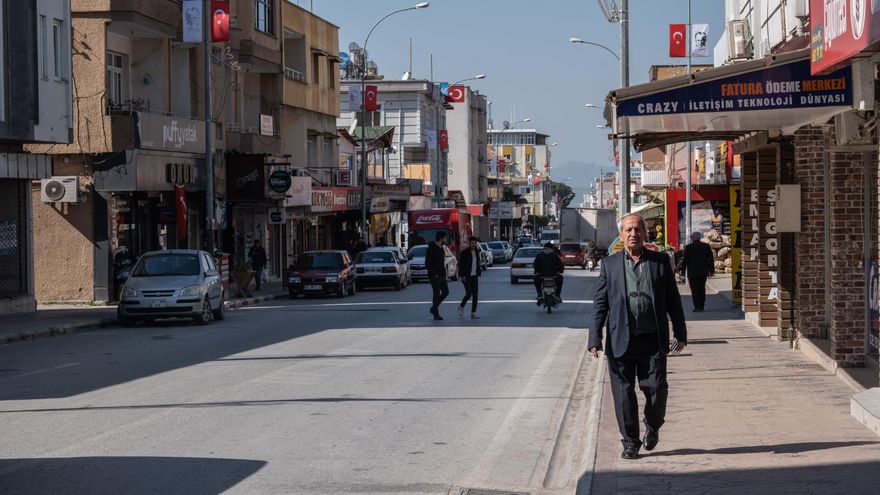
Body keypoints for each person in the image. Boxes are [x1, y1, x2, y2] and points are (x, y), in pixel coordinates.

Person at [589, 213, 687, 460]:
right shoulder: (609, 265)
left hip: (652, 339)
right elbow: (600, 304)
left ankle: (653, 425)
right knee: (623, 394)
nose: (633, 234)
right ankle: (630, 442)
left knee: (657, 389)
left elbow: (673, 301)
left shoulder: (660, 262)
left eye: (638, 229)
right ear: (621, 235)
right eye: (628, 230)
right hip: (620, 340)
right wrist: (594, 338)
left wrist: (681, 333)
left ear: (645, 233)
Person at [680, 231, 715, 312]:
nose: (691, 239)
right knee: (702, 288)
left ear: (694, 238)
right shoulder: (706, 246)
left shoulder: (689, 247)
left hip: (692, 272)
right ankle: (702, 306)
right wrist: (711, 270)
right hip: (703, 271)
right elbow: (710, 259)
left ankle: (697, 307)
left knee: (694, 289)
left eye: (691, 237)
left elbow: (685, 260)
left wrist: (683, 271)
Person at [426, 231, 450, 321]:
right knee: (436, 294)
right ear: (441, 238)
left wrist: (444, 274)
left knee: (446, 292)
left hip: (441, 275)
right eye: (445, 238)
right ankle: (436, 314)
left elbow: (442, 262)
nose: (445, 240)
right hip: (434, 276)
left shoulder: (441, 248)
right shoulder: (431, 249)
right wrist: (434, 274)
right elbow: (427, 263)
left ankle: (433, 308)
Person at [457, 236, 482, 319]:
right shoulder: (464, 253)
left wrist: (478, 272)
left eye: (475, 243)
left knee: (475, 296)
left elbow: (478, 263)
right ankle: (461, 306)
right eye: (472, 243)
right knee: (468, 294)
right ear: (469, 243)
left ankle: (473, 313)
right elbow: (461, 265)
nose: (473, 244)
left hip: (474, 276)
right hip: (466, 277)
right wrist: (462, 275)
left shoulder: (477, 251)